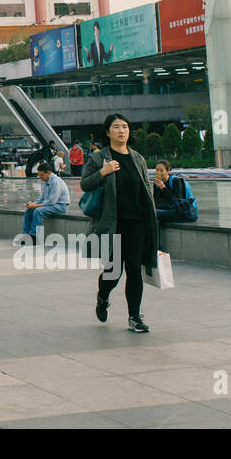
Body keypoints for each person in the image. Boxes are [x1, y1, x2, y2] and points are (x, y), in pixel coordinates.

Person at [79, 113, 159, 334]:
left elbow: (145, 188)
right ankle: (103, 297)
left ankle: (134, 317)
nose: (121, 131)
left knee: (134, 269)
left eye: (125, 127)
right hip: (112, 224)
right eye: (116, 127)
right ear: (107, 132)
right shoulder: (99, 158)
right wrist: (103, 172)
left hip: (137, 223)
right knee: (114, 272)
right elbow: (85, 184)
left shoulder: (138, 158)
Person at [21, 165, 70, 243]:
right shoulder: (46, 181)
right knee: (29, 211)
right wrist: (32, 204)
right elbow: (42, 197)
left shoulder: (56, 182)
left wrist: (36, 206)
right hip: (52, 205)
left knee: (38, 211)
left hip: (61, 206)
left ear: (49, 173)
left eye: (41, 175)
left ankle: (34, 236)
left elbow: (52, 201)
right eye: (39, 175)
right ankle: (25, 235)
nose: (40, 177)